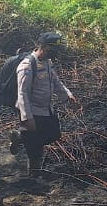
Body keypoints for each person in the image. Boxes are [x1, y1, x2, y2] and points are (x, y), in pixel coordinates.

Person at [15, 32, 78, 177]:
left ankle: (19, 136)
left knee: (53, 134)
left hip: (46, 109)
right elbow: (22, 94)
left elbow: (55, 81)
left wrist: (67, 95)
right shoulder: (27, 66)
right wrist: (27, 118)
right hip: (33, 111)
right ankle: (34, 177)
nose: (54, 53)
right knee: (35, 148)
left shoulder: (47, 63)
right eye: (51, 49)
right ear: (42, 47)